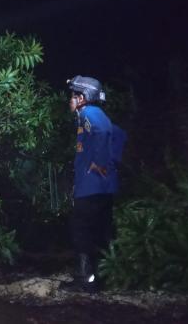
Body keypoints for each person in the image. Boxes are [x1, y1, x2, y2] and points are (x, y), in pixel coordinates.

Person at [62, 75, 127, 292]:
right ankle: (101, 280)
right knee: (101, 231)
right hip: (102, 187)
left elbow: (103, 132)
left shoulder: (88, 113)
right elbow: (119, 134)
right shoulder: (98, 114)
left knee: (81, 231)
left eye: (72, 96)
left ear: (82, 98)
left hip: (91, 188)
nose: (70, 100)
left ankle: (85, 280)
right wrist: (111, 162)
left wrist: (98, 163)